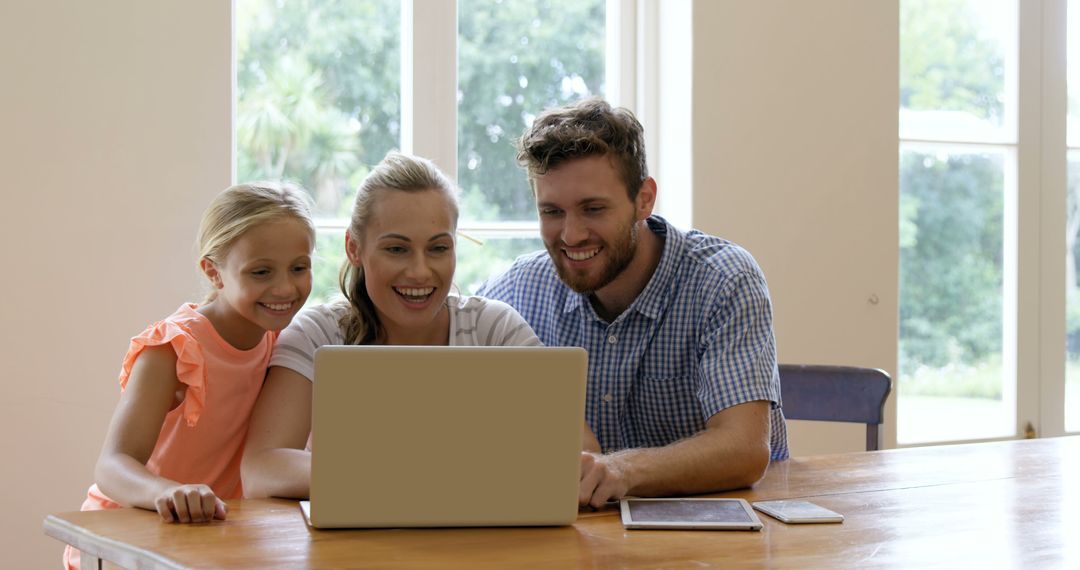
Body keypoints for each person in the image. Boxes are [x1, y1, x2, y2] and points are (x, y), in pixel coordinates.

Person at [476, 97, 789, 508]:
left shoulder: (724, 280)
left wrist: (621, 471)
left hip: (729, 532)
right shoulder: (518, 288)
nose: (570, 235)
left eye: (593, 209)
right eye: (551, 211)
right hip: (584, 537)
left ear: (644, 199)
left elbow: (744, 450)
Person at [241, 152, 542, 499]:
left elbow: (577, 449)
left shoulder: (494, 328)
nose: (419, 271)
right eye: (397, 249)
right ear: (355, 249)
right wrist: (411, 476)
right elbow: (261, 469)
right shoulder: (318, 335)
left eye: (438, 248)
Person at [64, 182, 315, 569]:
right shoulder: (174, 347)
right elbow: (112, 465)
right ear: (213, 272)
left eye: (299, 267)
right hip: (128, 534)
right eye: (261, 272)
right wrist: (169, 493)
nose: (285, 287)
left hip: (206, 536)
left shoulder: (286, 343)